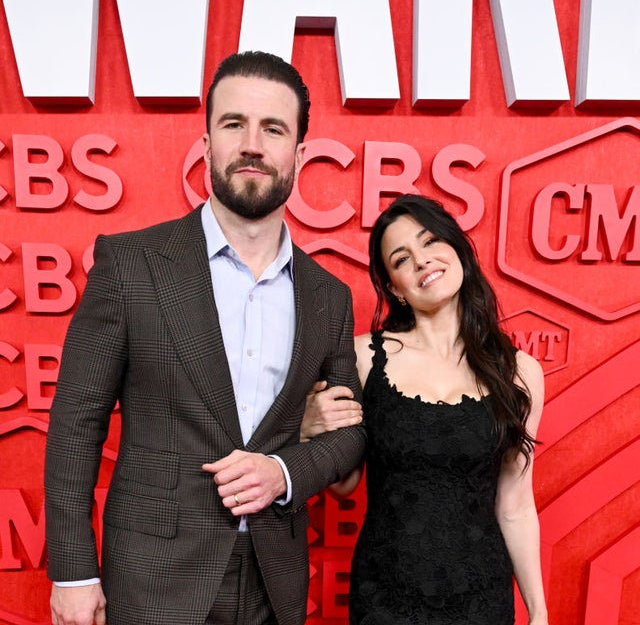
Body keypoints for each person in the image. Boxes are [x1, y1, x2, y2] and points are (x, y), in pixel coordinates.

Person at [44, 50, 366, 625]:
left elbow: (348, 437)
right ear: (208, 142)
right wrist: (73, 573)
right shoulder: (130, 265)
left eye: (273, 128)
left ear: (299, 153)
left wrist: (285, 471)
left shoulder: (329, 296)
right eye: (233, 124)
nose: (252, 144)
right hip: (152, 577)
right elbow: (76, 423)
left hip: (276, 578)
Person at [302, 194, 548, 624]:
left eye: (431, 241)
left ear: (457, 249)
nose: (422, 260)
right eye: (401, 259)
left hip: (482, 597)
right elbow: (344, 485)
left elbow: (515, 505)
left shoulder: (519, 371)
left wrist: (539, 613)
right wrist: (307, 429)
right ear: (394, 287)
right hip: (386, 596)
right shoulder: (363, 358)